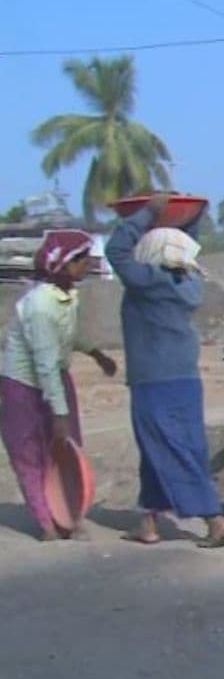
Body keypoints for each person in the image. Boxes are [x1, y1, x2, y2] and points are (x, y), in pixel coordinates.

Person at [106, 193, 224, 548]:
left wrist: (149, 212)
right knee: (163, 447)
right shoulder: (188, 282)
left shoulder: (148, 281)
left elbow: (115, 251)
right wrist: (193, 217)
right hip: (184, 379)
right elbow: (182, 243)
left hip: (153, 379)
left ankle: (215, 519)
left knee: (173, 449)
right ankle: (148, 522)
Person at [0, 230, 117, 541]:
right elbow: (45, 364)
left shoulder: (66, 296)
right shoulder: (39, 306)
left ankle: (69, 515)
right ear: (64, 265)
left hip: (53, 379)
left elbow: (68, 335)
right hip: (23, 385)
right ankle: (46, 523)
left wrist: (95, 353)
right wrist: (60, 414)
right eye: (82, 259)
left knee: (66, 451)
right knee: (30, 453)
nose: (88, 263)